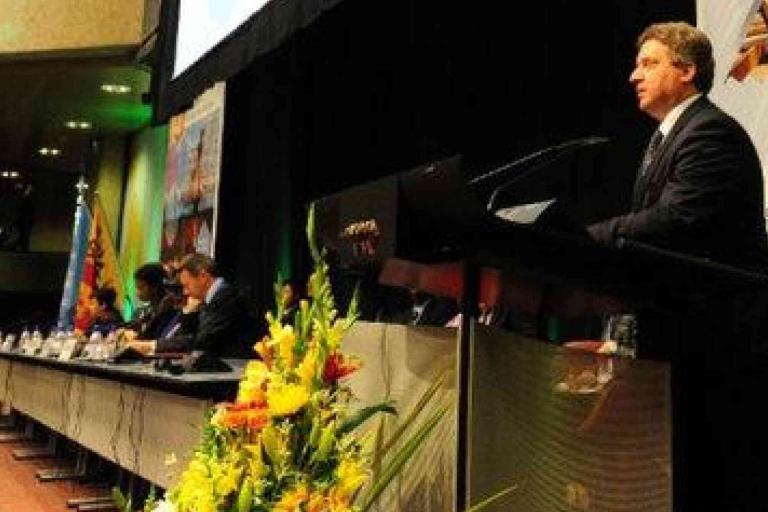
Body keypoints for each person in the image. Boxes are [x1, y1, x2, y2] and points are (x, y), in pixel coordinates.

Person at [588, 22, 768, 272]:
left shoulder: (710, 133)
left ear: (687, 71)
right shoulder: (672, 133)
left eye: (648, 64)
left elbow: (675, 218)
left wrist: (590, 238)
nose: (634, 76)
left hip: (710, 303)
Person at [127, 253, 252, 358]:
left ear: (203, 277)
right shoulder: (209, 300)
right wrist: (188, 313)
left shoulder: (227, 299)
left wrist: (151, 345)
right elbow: (189, 337)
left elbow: (200, 341)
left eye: (187, 286)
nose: (185, 292)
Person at [123, 263, 177, 340]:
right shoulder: (153, 306)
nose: (137, 293)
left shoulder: (167, 305)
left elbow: (151, 335)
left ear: (154, 287)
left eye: (140, 288)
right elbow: (136, 324)